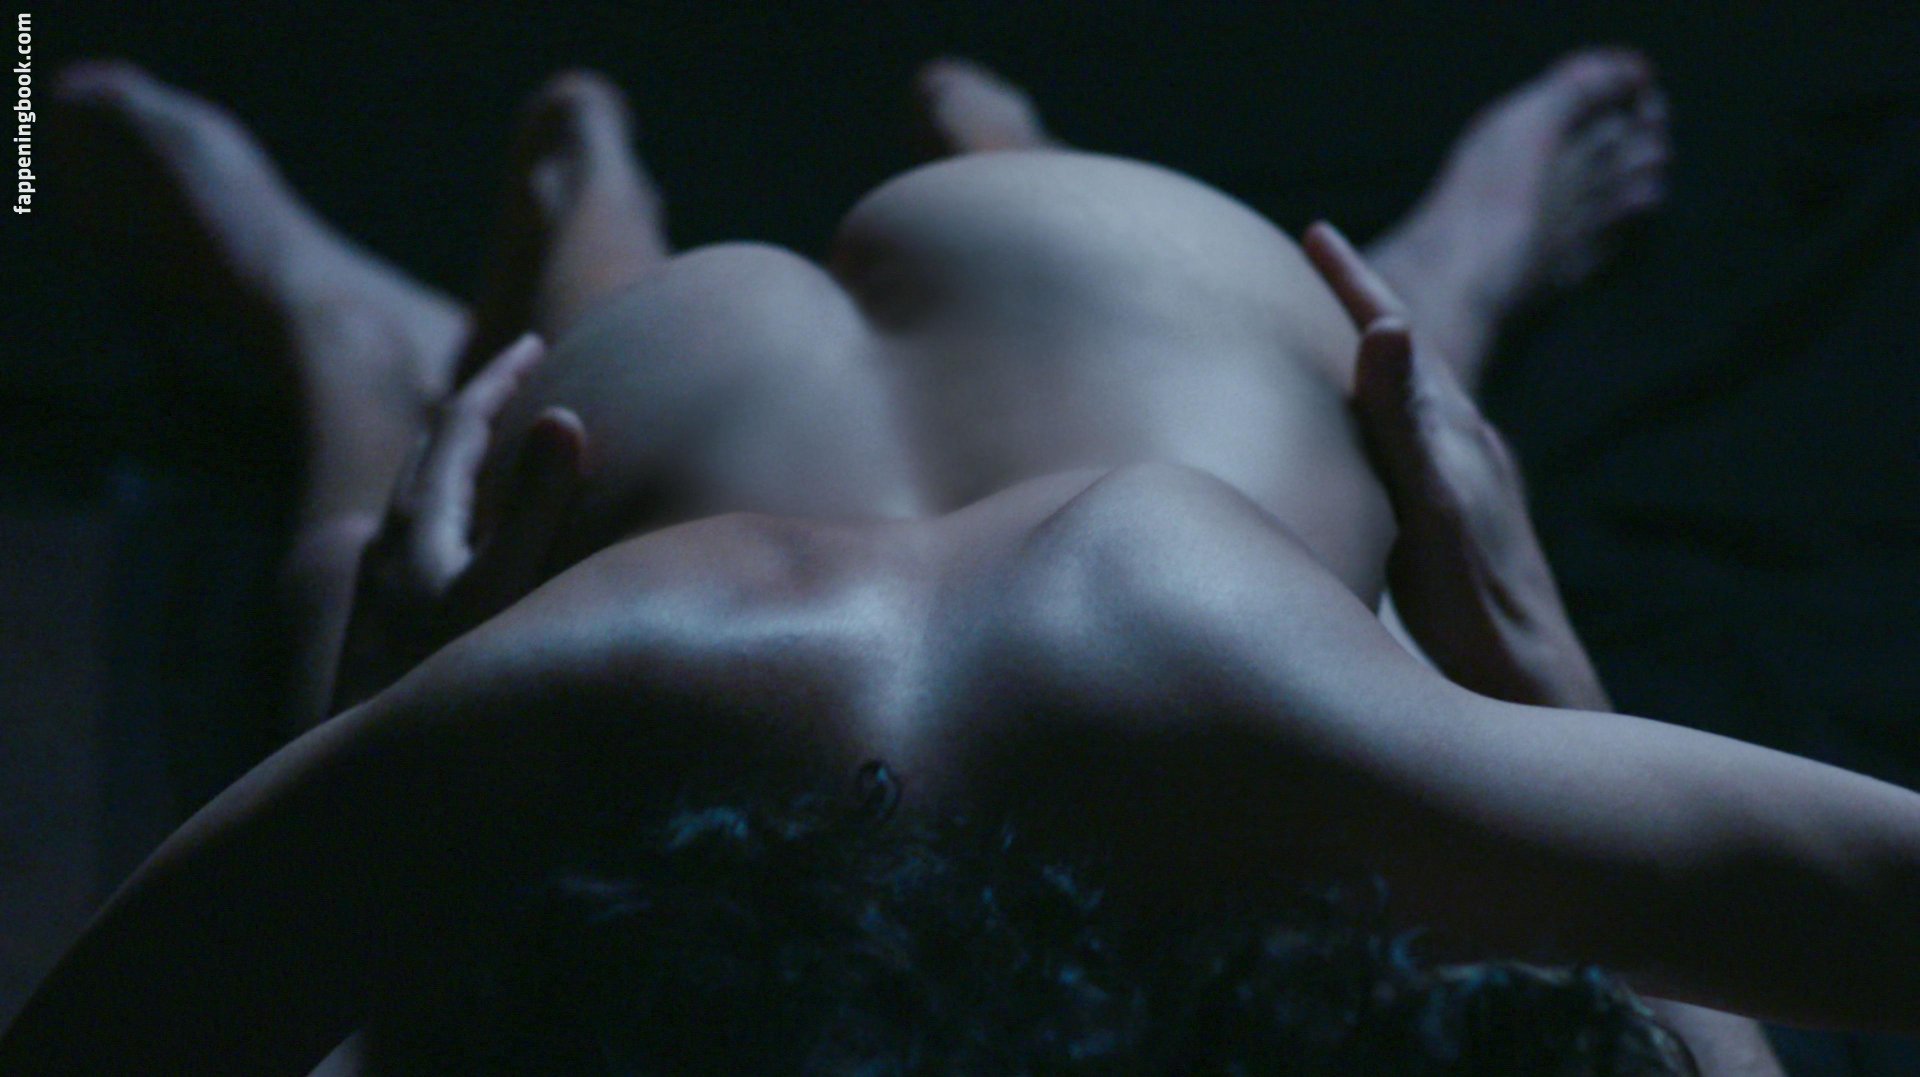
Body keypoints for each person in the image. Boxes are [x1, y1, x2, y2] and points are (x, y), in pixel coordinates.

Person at [10, 50, 1882, 1075]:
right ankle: (515, 266)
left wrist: (389, 697)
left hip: (1110, 379)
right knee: (1347, 531)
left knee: (1350, 525)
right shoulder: (569, 704)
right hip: (971, 399)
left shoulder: (566, 705)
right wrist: (1535, 664)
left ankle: (365, 329)